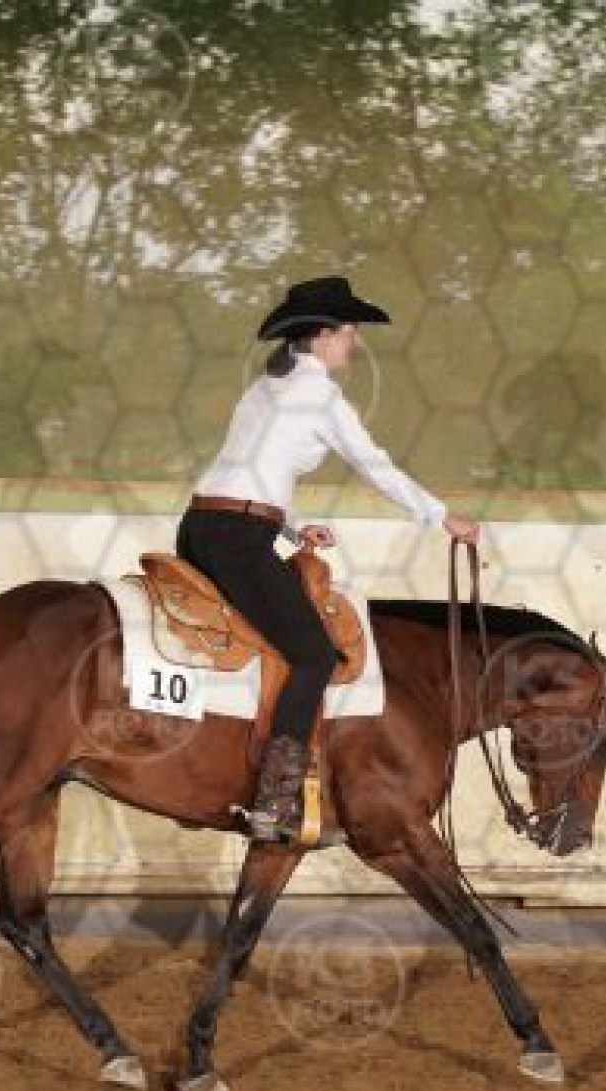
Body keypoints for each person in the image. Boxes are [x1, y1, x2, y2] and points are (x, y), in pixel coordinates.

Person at [178, 275, 482, 842]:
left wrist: (293, 527)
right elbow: (374, 464)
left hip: (203, 527)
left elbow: (253, 472)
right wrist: (442, 516)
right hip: (239, 537)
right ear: (321, 335)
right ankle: (275, 799)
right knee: (315, 655)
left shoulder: (266, 387)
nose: (355, 341)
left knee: (275, 638)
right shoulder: (320, 396)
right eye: (349, 330)